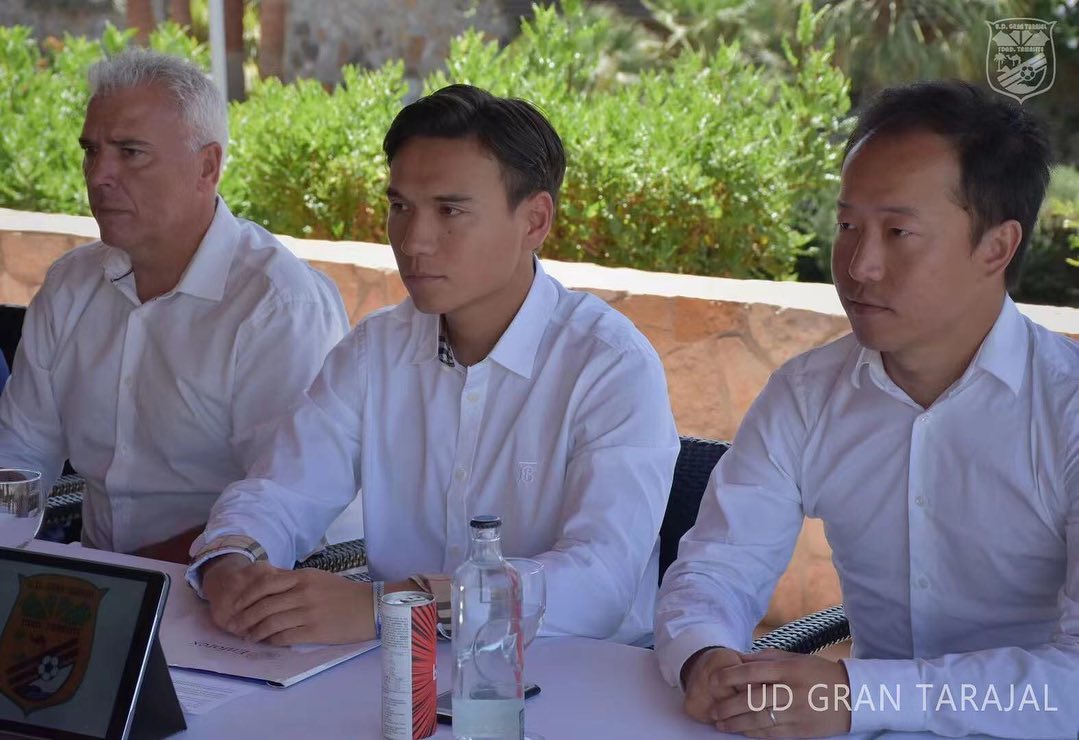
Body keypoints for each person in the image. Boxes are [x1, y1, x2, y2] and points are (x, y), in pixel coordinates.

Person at [655, 80, 1078, 738]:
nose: (859, 265)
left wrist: (859, 695)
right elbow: (716, 568)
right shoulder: (807, 393)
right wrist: (704, 655)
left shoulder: (1065, 411)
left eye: (898, 231)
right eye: (847, 226)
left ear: (995, 248)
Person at [188, 84, 680, 647]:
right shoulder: (376, 350)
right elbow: (279, 491)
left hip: (575, 677)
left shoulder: (610, 367)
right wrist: (231, 562)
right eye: (400, 207)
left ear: (534, 221)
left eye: (450, 211)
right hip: (395, 672)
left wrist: (394, 606)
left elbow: (599, 581)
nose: (414, 241)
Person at [0, 50, 349, 562]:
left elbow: (283, 510)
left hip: (233, 590)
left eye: (130, 152)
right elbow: (20, 457)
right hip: (95, 590)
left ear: (207, 166)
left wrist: (130, 578)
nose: (99, 175)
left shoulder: (277, 306)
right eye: (92, 151)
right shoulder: (71, 285)